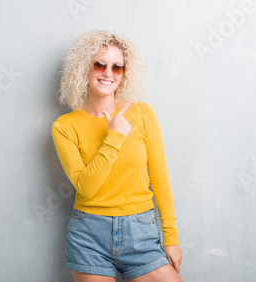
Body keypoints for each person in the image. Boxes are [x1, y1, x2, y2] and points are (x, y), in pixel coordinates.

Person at [51, 30, 182, 281]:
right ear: (84, 68)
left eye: (117, 67)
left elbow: (159, 177)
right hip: (89, 235)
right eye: (99, 64)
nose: (108, 73)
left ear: (124, 73)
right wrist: (114, 137)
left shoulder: (142, 114)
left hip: (141, 233)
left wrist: (171, 237)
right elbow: (86, 188)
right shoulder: (64, 126)